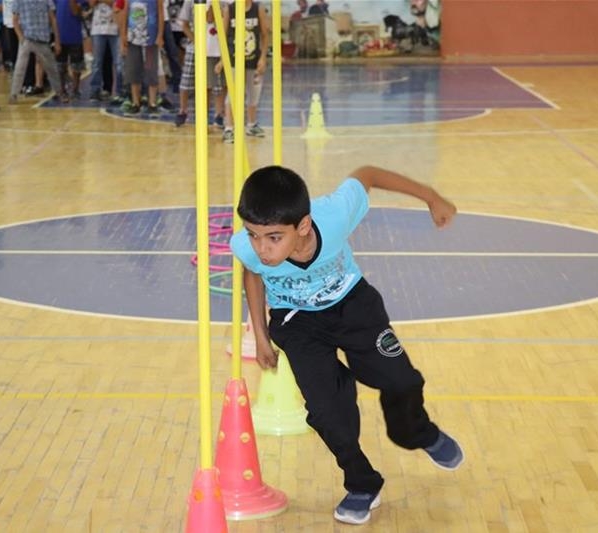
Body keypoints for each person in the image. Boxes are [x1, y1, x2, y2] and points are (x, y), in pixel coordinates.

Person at [229, 165, 464, 525]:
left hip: (353, 306)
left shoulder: (334, 214)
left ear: (303, 226)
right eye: (254, 235)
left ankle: (418, 432)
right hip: (297, 323)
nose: (261, 248)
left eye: (273, 237)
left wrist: (431, 197)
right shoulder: (247, 246)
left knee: (401, 381)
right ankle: (362, 483)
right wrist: (260, 335)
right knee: (326, 413)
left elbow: (368, 174)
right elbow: (253, 271)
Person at [219, 0, 267, 143]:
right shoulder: (230, 9)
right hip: (234, 59)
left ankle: (251, 125)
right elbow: (222, 36)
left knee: (254, 92)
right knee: (233, 93)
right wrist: (223, 59)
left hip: (253, 58)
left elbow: (265, 35)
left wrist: (263, 58)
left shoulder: (258, 9)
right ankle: (229, 128)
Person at [173, 0, 223, 128]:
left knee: (215, 84)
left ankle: (218, 114)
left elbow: (212, 19)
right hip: (195, 47)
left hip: (214, 47)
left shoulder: (221, 2)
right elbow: (184, 24)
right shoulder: (190, 2)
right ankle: (183, 111)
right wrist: (195, 40)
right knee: (186, 81)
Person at [8, 0, 65, 103]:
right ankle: (13, 94)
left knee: (51, 68)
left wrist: (57, 40)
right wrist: (21, 37)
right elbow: (15, 20)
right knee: (19, 68)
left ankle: (59, 92)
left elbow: (52, 19)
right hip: (27, 38)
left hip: (43, 39)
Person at [118, 0, 163, 116]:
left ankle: (152, 103)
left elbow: (160, 13)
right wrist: (123, 35)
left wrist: (160, 35)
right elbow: (125, 12)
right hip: (133, 38)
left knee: (151, 69)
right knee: (133, 69)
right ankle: (135, 103)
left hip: (150, 38)